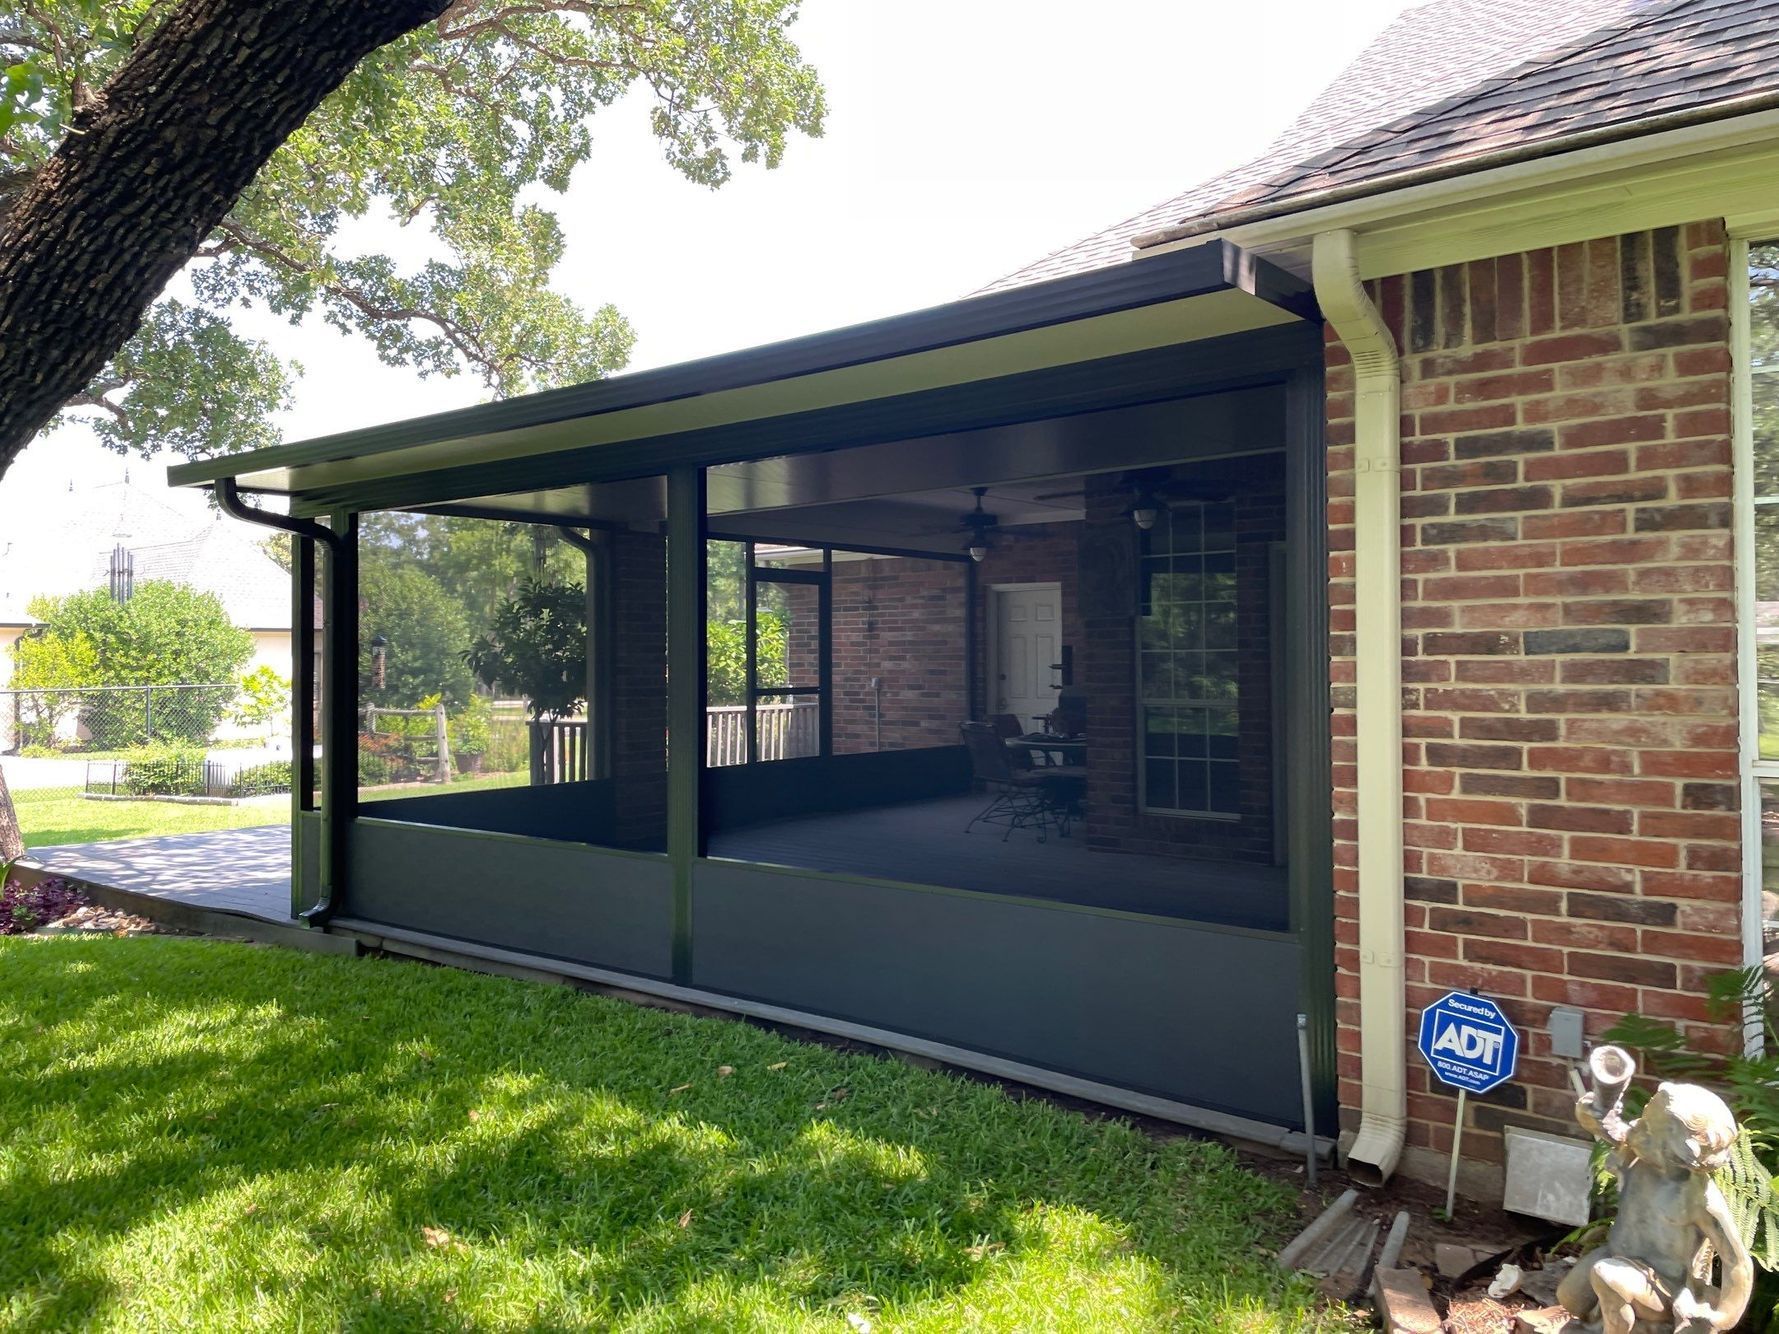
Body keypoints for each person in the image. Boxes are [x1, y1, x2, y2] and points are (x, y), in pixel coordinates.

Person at [1558, 1057, 1751, 1334]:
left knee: (1607, 1276)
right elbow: (1613, 1130)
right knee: (1570, 1298)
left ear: (1677, 1152)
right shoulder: (1642, 1156)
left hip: (1663, 1286)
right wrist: (1588, 1113)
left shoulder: (1697, 1197)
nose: (1636, 1129)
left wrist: (1722, 1317)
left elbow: (1737, 1261)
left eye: (1647, 1129)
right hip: (1617, 1255)